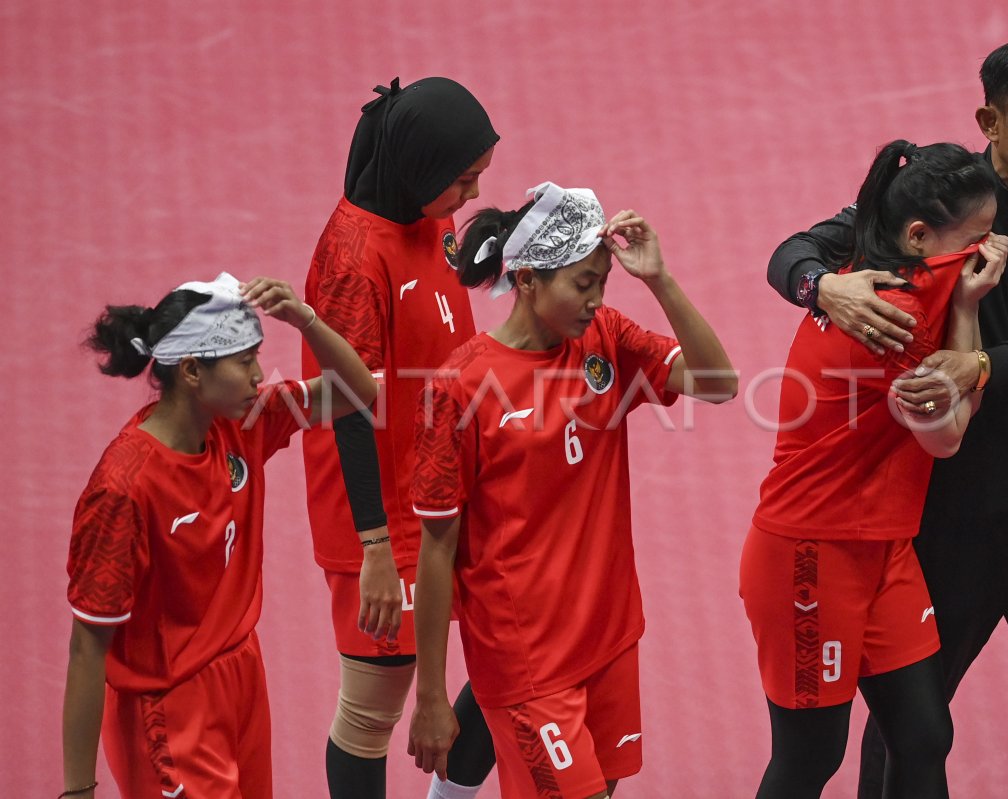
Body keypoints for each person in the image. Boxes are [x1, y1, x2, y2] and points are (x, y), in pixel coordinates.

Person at [767, 38, 1008, 798]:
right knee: (909, 737)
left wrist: (977, 365)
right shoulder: (939, 201)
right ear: (990, 119)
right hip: (944, 527)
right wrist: (822, 288)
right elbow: (794, 251)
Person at [406, 182, 737, 799]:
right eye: (582, 284)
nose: (595, 299)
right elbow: (436, 550)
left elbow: (718, 383)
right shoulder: (458, 388)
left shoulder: (604, 338)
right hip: (525, 658)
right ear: (528, 280)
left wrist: (660, 280)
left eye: (602, 283)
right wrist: (430, 696)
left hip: (608, 633)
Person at [745, 140, 1006, 798]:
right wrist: (970, 313)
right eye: (976, 240)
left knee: (922, 735)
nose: (988, 251)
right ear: (920, 236)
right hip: (811, 553)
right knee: (810, 760)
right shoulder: (897, 313)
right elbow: (946, 437)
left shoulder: (874, 260)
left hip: (884, 547)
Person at [62, 273, 377, 799]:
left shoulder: (241, 422)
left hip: (240, 679)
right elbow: (86, 648)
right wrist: (76, 791)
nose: (259, 375)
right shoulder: (123, 490)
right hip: (168, 709)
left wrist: (306, 319)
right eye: (244, 360)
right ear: (191, 372)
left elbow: (358, 392)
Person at [300, 76, 501, 799]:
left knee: (519, 650)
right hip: (383, 513)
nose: (471, 192)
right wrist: (375, 549)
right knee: (374, 708)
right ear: (419, 166)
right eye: (465, 179)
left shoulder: (431, 215)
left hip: (452, 485)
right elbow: (351, 409)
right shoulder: (356, 259)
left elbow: (445, 311)